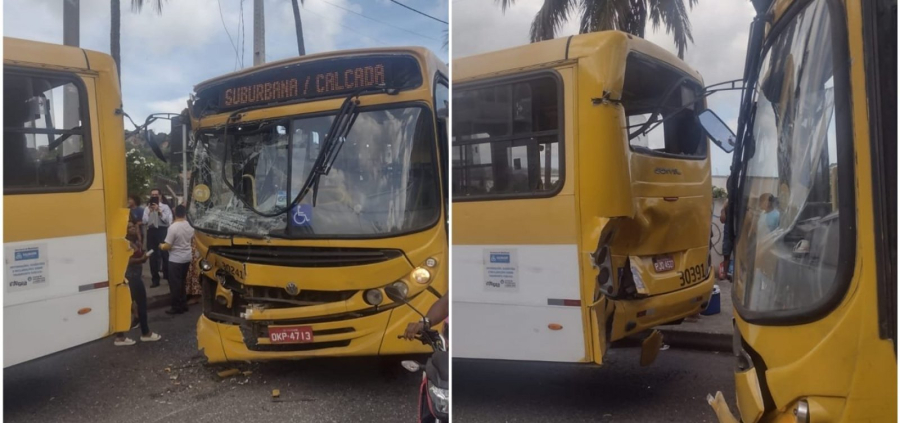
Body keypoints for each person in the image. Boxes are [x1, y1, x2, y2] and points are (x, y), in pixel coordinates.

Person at [114, 221, 162, 346]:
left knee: (131, 305)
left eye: (133, 226)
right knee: (141, 305)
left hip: (134, 276)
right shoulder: (124, 243)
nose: (133, 229)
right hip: (131, 277)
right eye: (129, 227)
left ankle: (121, 335)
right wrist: (142, 259)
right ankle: (145, 333)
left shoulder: (134, 241)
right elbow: (127, 260)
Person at [160, 205, 194, 314]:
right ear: (185, 213)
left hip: (176, 259)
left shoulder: (173, 227)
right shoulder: (190, 225)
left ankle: (176, 307)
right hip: (187, 257)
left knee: (175, 284)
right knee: (182, 282)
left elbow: (168, 246)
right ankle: (183, 304)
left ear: (175, 213)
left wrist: (161, 246)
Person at [143, 189, 172, 287]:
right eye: (152, 195)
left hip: (162, 231)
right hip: (151, 232)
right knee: (152, 255)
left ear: (160, 196)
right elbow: (144, 221)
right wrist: (150, 212)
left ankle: (168, 276)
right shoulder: (147, 208)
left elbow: (168, 221)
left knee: (165, 254)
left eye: (156, 195)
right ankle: (155, 279)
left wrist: (160, 212)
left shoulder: (165, 207)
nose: (154, 196)